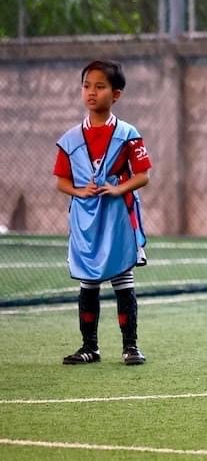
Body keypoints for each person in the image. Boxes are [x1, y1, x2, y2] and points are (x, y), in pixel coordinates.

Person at [54, 60, 151, 366]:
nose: (91, 93)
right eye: (86, 86)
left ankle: (130, 347)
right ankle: (89, 347)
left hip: (117, 216)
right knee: (88, 281)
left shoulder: (128, 133)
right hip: (85, 220)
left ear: (116, 94)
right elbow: (62, 181)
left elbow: (143, 175)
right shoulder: (70, 139)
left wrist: (119, 189)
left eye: (100, 86)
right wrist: (79, 191)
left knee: (123, 278)